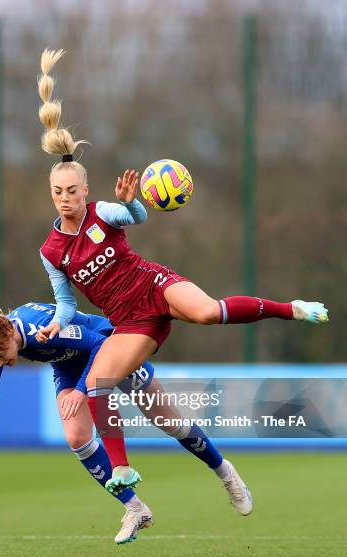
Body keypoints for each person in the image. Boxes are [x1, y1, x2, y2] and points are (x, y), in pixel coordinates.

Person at [35, 49, 328, 487]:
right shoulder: (50, 250)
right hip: (129, 322)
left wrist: (132, 201)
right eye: (58, 191)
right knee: (97, 385)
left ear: (86, 190)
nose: (65, 197)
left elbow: (138, 219)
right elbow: (64, 302)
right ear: (52, 192)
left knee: (209, 311)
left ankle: (293, 308)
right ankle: (121, 468)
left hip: (153, 284)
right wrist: (56, 327)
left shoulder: (103, 213)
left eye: (72, 190)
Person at [0, 290, 253, 544]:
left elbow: (98, 346)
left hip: (113, 348)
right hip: (69, 365)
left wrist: (82, 390)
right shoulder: (6, 334)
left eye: (1, 355)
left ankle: (226, 473)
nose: (2, 363)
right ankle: (135, 508)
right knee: (77, 437)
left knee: (170, 423)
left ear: (6, 336)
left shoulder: (42, 331)